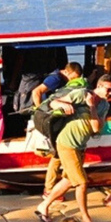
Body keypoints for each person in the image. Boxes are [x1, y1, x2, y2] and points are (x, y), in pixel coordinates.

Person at [35, 74, 111, 222]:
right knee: (82, 183)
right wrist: (62, 104)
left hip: (80, 145)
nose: (110, 93)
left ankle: (43, 205)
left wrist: (92, 107)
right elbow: (52, 103)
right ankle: (85, 218)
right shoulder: (82, 94)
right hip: (66, 143)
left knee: (69, 179)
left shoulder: (104, 106)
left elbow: (95, 128)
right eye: (108, 90)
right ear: (99, 86)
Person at [34, 63, 86, 201]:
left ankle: (50, 188)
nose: (72, 82)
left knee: (57, 157)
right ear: (67, 73)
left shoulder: (65, 81)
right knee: (58, 158)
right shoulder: (56, 79)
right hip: (55, 122)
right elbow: (37, 92)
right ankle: (51, 190)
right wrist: (42, 111)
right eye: (72, 78)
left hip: (58, 121)